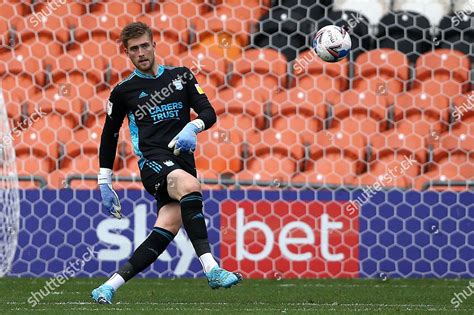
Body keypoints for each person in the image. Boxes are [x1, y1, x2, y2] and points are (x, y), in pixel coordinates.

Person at [91, 22, 242, 304]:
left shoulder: (181, 76)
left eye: (145, 45)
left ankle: (108, 286)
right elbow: (109, 135)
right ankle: (212, 268)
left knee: (168, 227)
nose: (141, 52)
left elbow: (209, 112)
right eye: (134, 49)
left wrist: (193, 127)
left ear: (154, 46)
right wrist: (104, 180)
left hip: (183, 161)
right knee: (189, 185)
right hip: (153, 163)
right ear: (127, 54)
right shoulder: (124, 91)